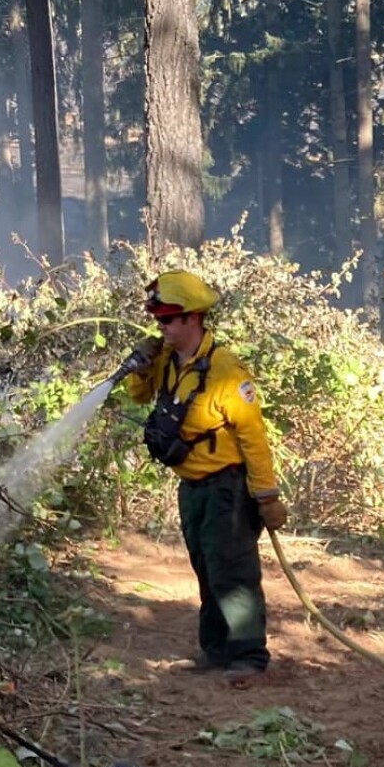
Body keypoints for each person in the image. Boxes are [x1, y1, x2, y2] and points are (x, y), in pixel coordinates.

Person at [121, 270, 288, 688]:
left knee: (232, 571)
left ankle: (249, 656)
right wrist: (141, 368)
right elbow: (139, 397)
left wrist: (266, 496)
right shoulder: (166, 360)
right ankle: (215, 650)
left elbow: (253, 436)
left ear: (191, 319)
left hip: (227, 489)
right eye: (157, 321)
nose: (160, 328)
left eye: (166, 321)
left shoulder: (227, 371)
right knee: (206, 568)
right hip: (191, 488)